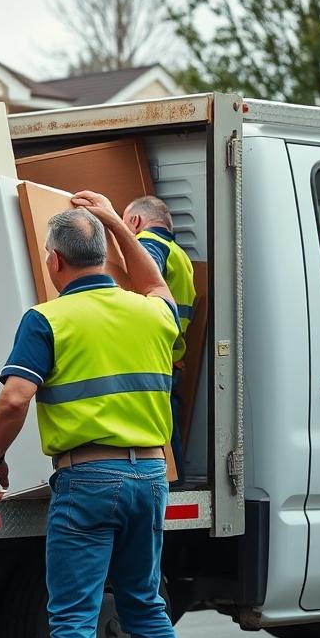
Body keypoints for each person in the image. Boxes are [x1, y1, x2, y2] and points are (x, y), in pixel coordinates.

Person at [0, 193, 187, 638]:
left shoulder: (47, 319)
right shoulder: (154, 314)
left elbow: (14, 400)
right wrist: (116, 222)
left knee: (73, 619)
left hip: (89, 479)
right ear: (102, 253)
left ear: (54, 260)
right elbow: (156, 281)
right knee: (146, 606)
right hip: (150, 478)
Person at [124, 196, 196, 485]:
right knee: (169, 424)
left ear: (136, 222)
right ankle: (174, 480)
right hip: (170, 353)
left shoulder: (149, 244)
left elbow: (142, 277)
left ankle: (169, 483)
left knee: (161, 429)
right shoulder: (179, 253)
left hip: (152, 354)